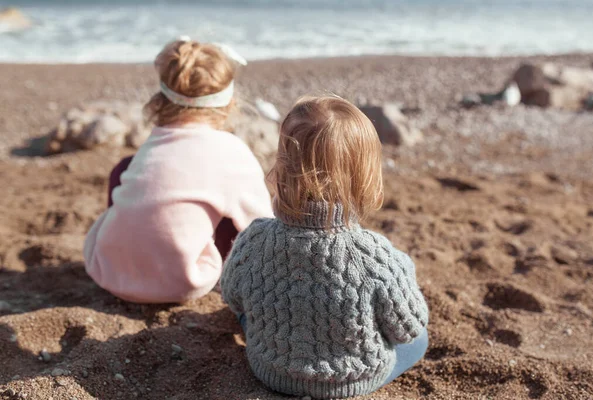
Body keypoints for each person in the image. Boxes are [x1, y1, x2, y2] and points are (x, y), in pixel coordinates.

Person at [221, 96, 429, 399]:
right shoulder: (374, 257)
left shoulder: (254, 240)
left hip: (273, 371)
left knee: (248, 315)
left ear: (283, 168)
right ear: (364, 178)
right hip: (351, 380)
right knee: (420, 340)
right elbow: (407, 328)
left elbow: (232, 296)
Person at [84, 37, 273, 303]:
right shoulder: (231, 151)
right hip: (183, 282)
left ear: (161, 98)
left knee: (124, 169)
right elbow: (262, 225)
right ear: (229, 102)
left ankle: (125, 253)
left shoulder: (155, 142)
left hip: (111, 274)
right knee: (238, 209)